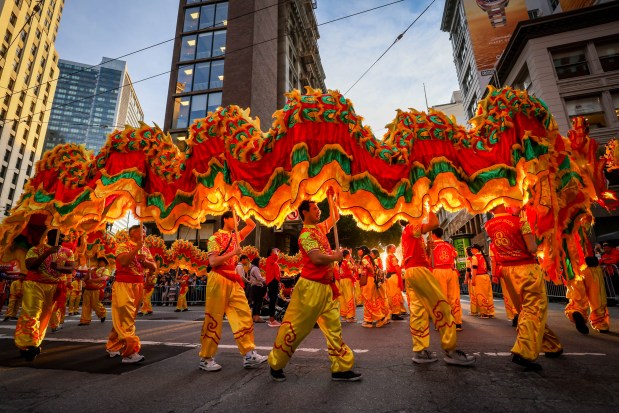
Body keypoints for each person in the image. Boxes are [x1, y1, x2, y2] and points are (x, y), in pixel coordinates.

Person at [268, 198, 361, 382]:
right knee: (296, 329)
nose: (319, 211)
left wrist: (333, 197)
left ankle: (340, 368)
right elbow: (317, 258)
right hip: (310, 288)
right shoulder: (305, 235)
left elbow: (335, 216)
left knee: (334, 329)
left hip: (327, 287)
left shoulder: (320, 229)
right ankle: (276, 363)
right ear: (304, 212)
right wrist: (334, 256)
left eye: (319, 208)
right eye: (315, 208)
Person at [485, 205, 563, 371]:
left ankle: (551, 345)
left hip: (507, 271)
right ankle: (524, 351)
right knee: (534, 309)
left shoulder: (489, 225)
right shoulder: (521, 222)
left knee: (527, 311)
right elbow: (532, 248)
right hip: (526, 269)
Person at [401, 213, 475, 366]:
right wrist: (429, 202)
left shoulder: (410, 232)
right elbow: (434, 223)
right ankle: (450, 349)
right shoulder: (412, 227)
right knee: (443, 306)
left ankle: (419, 350)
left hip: (412, 271)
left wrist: (427, 249)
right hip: (419, 271)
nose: (421, 215)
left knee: (419, 312)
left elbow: (423, 256)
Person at [198, 211, 267, 372]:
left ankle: (249, 354)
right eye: (235, 218)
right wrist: (233, 253)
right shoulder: (214, 238)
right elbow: (213, 261)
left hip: (233, 280)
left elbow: (252, 225)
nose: (237, 221)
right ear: (226, 219)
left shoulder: (236, 236)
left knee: (243, 314)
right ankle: (206, 357)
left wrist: (242, 210)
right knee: (213, 318)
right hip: (218, 278)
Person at [15, 229, 75, 361]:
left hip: (54, 287)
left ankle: (34, 342)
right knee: (32, 313)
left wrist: (58, 268)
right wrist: (47, 253)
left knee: (44, 316)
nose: (59, 238)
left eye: (61, 236)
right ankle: (27, 344)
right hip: (34, 284)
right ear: (48, 236)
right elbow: (30, 265)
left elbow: (70, 268)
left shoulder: (68, 252)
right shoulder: (36, 249)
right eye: (56, 235)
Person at [106, 225, 156, 364]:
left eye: (145, 233)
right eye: (142, 233)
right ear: (133, 233)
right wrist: (135, 249)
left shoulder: (145, 250)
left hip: (138, 285)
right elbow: (123, 262)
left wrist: (145, 261)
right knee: (126, 317)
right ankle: (130, 352)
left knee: (127, 318)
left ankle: (113, 346)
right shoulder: (123, 246)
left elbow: (154, 268)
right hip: (124, 284)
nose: (145, 235)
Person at [564, 256, 610, 334]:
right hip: (590, 265)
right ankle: (600, 323)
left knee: (578, 297)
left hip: (573, 267)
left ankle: (577, 312)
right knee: (597, 297)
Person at [430, 229, 462, 331]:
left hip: (438, 271)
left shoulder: (430, 246)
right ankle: (457, 323)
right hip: (451, 271)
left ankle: (442, 323)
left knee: (440, 297)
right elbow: (455, 254)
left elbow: (427, 260)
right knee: (454, 296)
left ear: (433, 234)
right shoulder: (448, 245)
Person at [358, 246, 389, 328]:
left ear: (363, 251)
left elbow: (368, 267)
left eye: (359, 250)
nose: (358, 251)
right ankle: (368, 321)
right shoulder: (370, 258)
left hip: (368, 280)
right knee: (371, 299)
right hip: (371, 280)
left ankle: (380, 318)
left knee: (368, 300)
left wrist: (372, 273)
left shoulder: (365, 257)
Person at [79, 257, 109, 325]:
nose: (99, 263)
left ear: (105, 263)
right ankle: (85, 320)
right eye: (99, 261)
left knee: (96, 304)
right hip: (88, 289)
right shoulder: (93, 269)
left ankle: (102, 313)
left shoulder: (105, 270)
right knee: (86, 305)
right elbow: (85, 278)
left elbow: (104, 278)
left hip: (96, 289)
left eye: (101, 261)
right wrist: (88, 273)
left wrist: (93, 280)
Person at [470, 244, 495, 318]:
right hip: (486, 276)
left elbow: (474, 269)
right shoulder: (482, 256)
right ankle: (491, 312)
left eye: (472, 249)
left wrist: (473, 279)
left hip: (479, 277)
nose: (471, 250)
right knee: (488, 294)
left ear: (476, 249)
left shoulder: (475, 257)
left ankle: (484, 312)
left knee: (480, 295)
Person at [385, 244, 407, 318]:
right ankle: (395, 313)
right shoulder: (392, 257)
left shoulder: (388, 257)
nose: (395, 248)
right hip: (393, 276)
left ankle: (398, 310)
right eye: (393, 248)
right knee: (395, 294)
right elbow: (396, 267)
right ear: (389, 249)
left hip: (390, 277)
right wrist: (400, 271)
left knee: (394, 294)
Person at [338, 250, 357, 323]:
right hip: (347, 281)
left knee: (343, 298)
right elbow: (354, 269)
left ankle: (344, 315)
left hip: (341, 281)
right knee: (349, 297)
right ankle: (350, 316)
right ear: (348, 255)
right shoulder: (347, 262)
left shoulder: (340, 263)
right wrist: (353, 262)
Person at [265, 247, 282, 327]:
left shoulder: (273, 262)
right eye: (274, 252)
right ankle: (272, 320)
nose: (276, 253)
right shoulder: (269, 259)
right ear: (270, 254)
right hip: (272, 281)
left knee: (273, 300)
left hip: (273, 281)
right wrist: (275, 250)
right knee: (273, 300)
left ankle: (272, 319)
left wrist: (279, 282)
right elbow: (276, 256)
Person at [249, 257, 266, 323]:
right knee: (259, 302)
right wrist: (265, 280)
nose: (260, 263)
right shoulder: (256, 268)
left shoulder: (252, 268)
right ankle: (257, 317)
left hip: (253, 287)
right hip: (257, 286)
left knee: (255, 302)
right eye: (259, 261)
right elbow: (259, 278)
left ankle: (254, 317)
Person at [463, 247, 478, 316]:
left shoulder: (469, 259)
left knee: (472, 295)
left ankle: (474, 310)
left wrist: (466, 279)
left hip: (471, 278)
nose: (465, 252)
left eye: (466, 251)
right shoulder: (475, 257)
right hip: (477, 277)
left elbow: (468, 270)